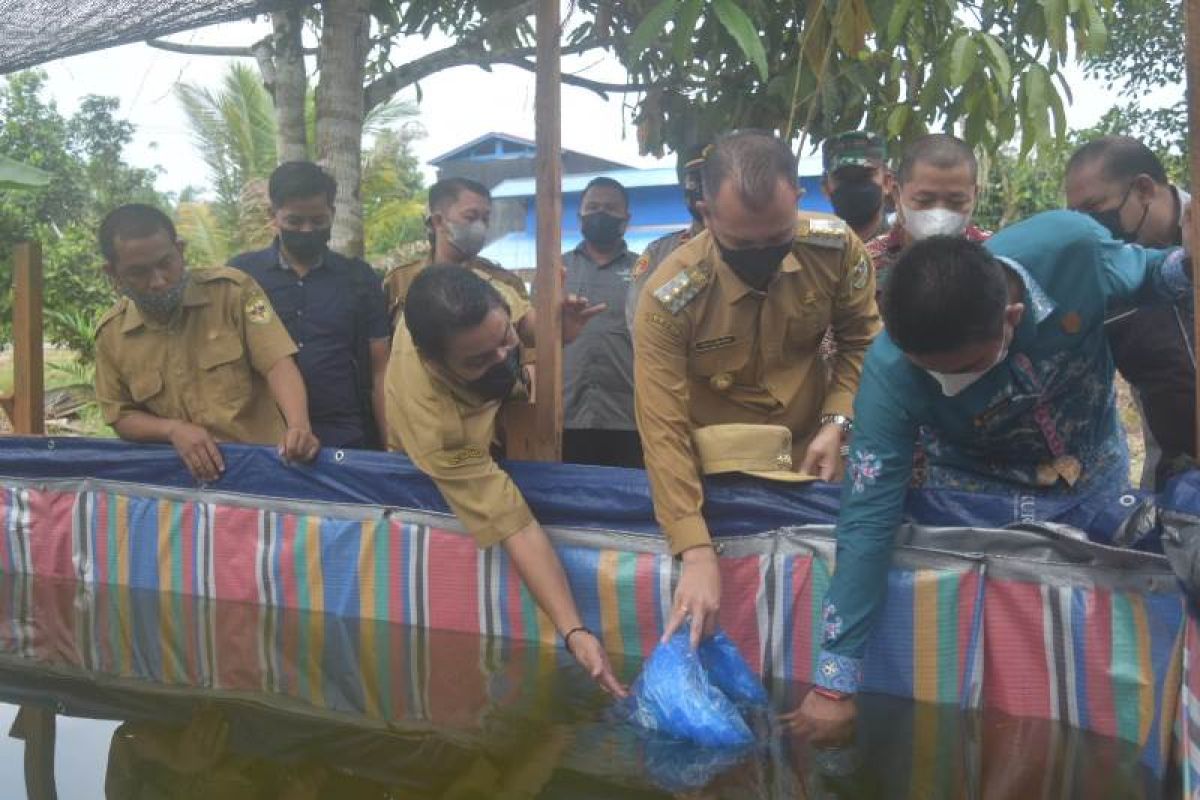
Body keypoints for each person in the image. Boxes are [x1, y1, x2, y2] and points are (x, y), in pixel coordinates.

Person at [787, 211, 1192, 740]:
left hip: (1095, 473)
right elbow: (867, 518)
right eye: (930, 372)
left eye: (965, 368)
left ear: (1012, 317)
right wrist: (833, 683)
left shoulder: (1071, 252)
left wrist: (1189, 262)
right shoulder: (890, 374)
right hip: (977, 500)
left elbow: (1155, 276)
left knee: (1100, 628)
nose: (944, 383)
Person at [633, 130, 881, 648]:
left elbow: (863, 340)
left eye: (777, 238)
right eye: (742, 244)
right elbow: (663, 428)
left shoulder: (835, 249)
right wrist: (695, 551)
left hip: (812, 463)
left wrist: (837, 422)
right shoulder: (670, 296)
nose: (762, 255)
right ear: (706, 213)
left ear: (797, 196)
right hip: (716, 483)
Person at [385, 265, 625, 697]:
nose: (502, 358)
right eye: (479, 359)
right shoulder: (437, 429)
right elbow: (515, 525)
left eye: (503, 343)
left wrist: (548, 330)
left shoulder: (472, 297)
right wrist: (574, 631)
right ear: (434, 361)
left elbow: (519, 321)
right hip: (452, 451)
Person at [94, 204, 319, 482]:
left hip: (262, 473)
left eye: (165, 263)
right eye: (138, 273)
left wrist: (298, 425)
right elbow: (120, 415)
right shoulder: (111, 335)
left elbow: (277, 363)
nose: (158, 281)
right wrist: (172, 430)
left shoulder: (234, 292)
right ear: (113, 273)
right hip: (179, 486)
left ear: (180, 250)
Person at [228, 161, 390, 450]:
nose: (306, 230)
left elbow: (381, 370)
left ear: (332, 214)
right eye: (294, 222)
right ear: (273, 216)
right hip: (263, 438)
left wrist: (391, 449)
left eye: (318, 221)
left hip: (345, 437)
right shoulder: (242, 277)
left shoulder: (359, 277)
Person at [1065, 135, 1195, 489]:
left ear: (1143, 189)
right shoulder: (1100, 275)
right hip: (1176, 484)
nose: (1087, 229)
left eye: (1094, 211)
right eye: (1075, 216)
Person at [562, 176, 642, 467]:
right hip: (566, 414)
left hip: (628, 416)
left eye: (610, 208)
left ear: (626, 218)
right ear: (579, 215)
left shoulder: (645, 270)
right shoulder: (556, 268)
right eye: (593, 206)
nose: (600, 214)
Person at [382, 177, 528, 324]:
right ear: (438, 221)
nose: (480, 227)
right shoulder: (399, 281)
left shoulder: (504, 283)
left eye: (485, 219)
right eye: (471, 217)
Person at [865, 133, 990, 290]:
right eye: (924, 201)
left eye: (956, 202)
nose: (940, 216)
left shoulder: (996, 256)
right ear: (897, 194)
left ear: (974, 196)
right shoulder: (866, 264)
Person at [625, 152, 708, 334]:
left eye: (712, 181)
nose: (702, 190)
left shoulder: (762, 240)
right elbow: (643, 318)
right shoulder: (659, 251)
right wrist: (699, 274)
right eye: (694, 182)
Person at [821, 131, 892, 243]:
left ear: (887, 183)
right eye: (843, 178)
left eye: (865, 175)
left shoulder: (908, 248)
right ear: (825, 188)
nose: (854, 184)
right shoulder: (808, 249)